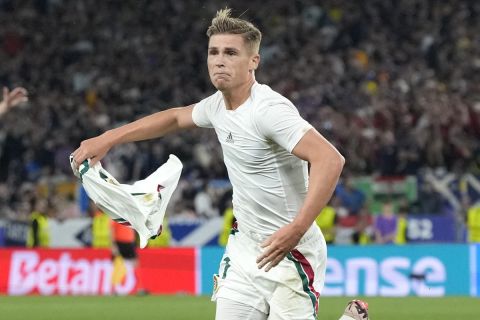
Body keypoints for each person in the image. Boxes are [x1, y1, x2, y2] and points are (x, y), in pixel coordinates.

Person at [72, 8, 367, 320]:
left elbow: (330, 159)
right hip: (243, 248)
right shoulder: (216, 106)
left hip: (289, 251)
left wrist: (297, 229)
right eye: (213, 52)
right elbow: (173, 117)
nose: (219, 60)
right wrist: (107, 138)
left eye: (231, 52)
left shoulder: (268, 110)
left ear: (254, 61)